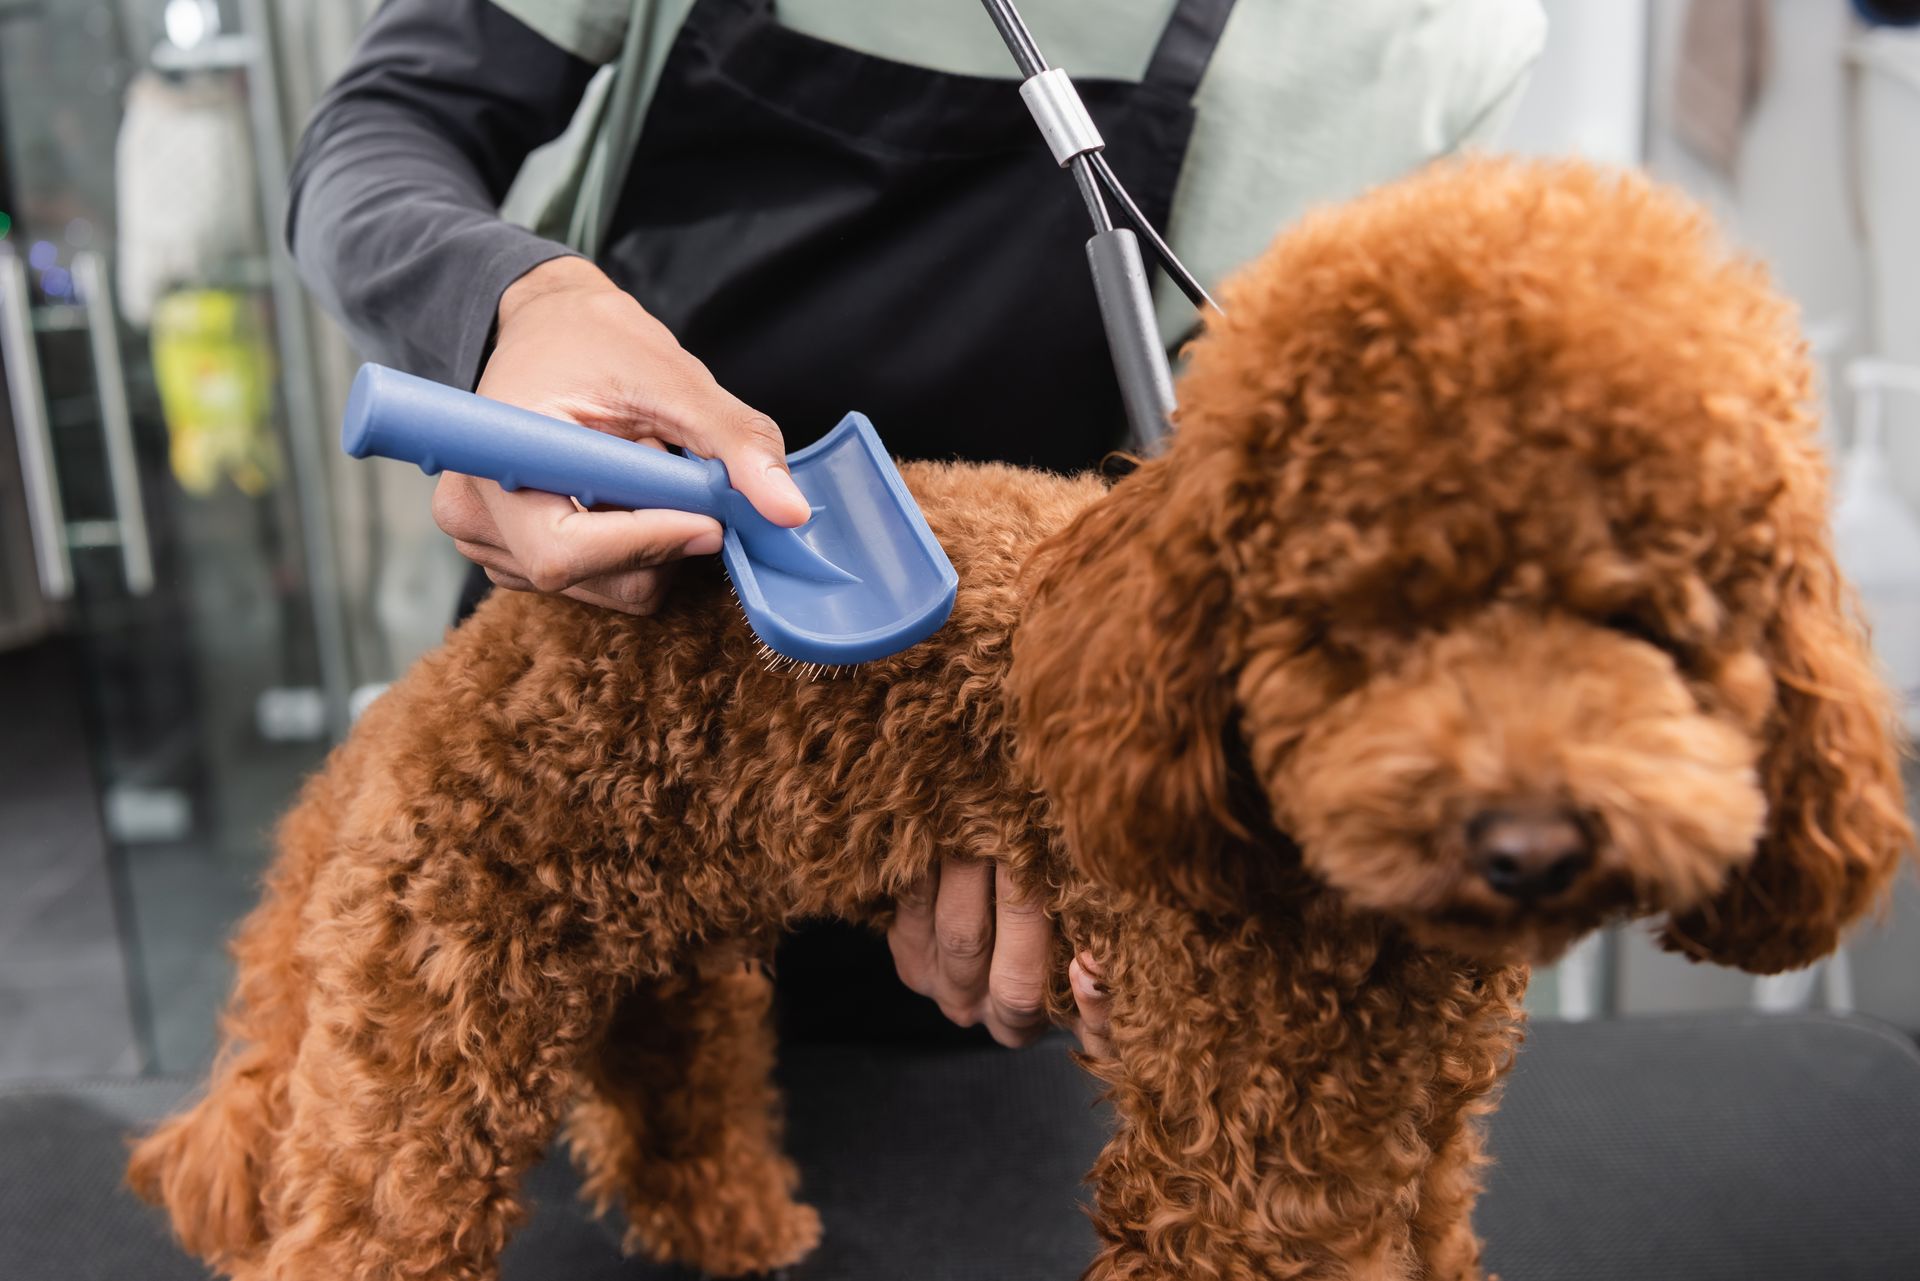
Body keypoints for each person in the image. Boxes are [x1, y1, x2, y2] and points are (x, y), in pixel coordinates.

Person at [288, 0, 1544, 1056]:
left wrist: (1086, 768)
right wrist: (508, 303)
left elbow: (1267, 538)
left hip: (993, 820)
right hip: (597, 709)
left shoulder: (1431, 47)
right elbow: (385, 128)